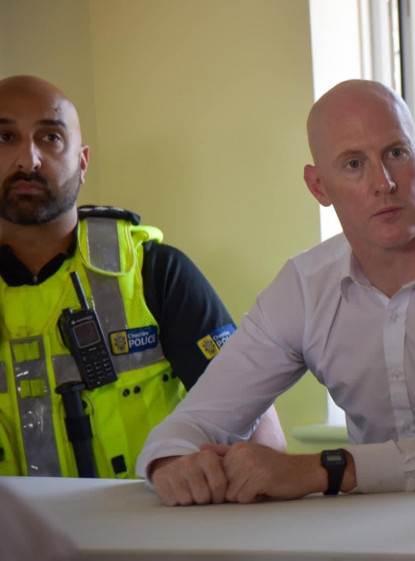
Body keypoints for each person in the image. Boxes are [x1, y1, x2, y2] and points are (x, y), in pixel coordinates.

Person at [137, 79, 415, 505]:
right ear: (319, 186)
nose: (383, 183)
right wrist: (174, 464)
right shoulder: (304, 288)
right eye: (354, 164)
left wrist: (325, 469)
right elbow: (190, 426)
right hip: (369, 537)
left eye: (396, 153)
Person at [0, 75, 285, 479]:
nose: (28, 160)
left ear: (82, 163)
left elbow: (263, 442)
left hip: (152, 537)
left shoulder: (157, 273)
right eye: (4, 137)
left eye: (50, 138)